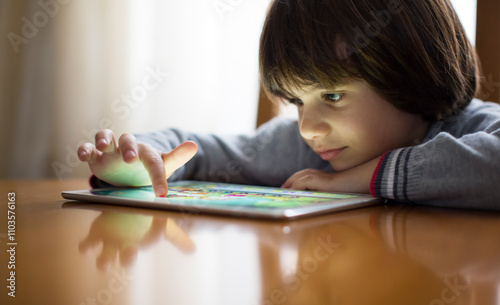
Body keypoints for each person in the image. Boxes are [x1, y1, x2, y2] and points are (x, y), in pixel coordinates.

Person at [78, 0, 500, 210]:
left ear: (410, 69)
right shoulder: (302, 149)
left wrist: (351, 181)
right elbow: (199, 151)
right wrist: (144, 157)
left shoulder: (472, 127)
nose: (308, 128)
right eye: (297, 101)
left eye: (332, 96)